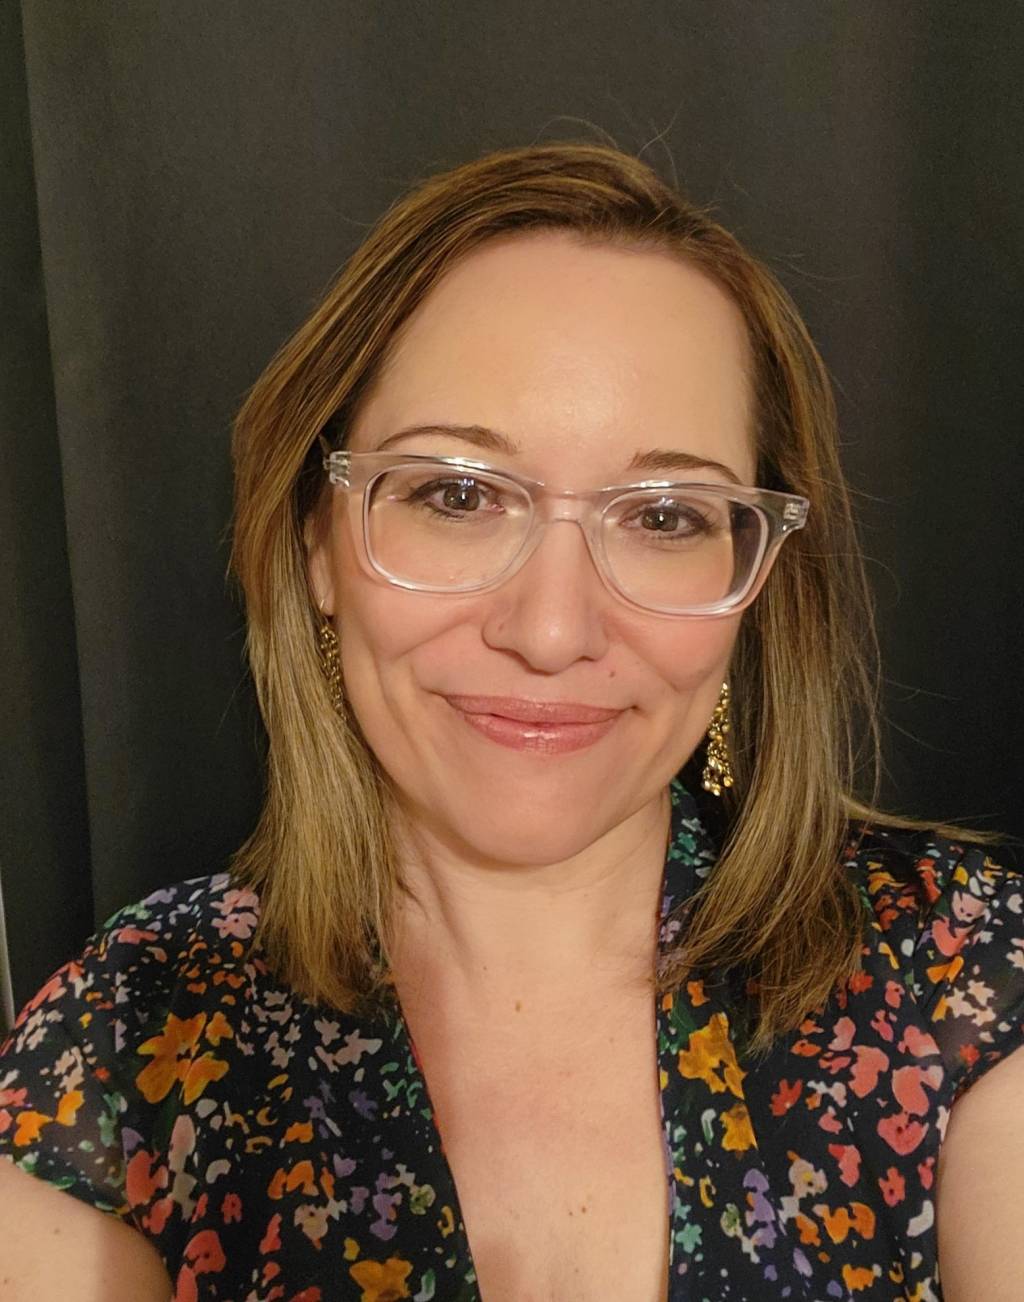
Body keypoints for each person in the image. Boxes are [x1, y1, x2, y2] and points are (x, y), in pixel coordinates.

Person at [0, 140, 1021, 1302]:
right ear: (317, 544)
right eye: (457, 494)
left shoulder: (955, 967)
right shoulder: (134, 1032)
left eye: (665, 516)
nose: (550, 630)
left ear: (755, 579)